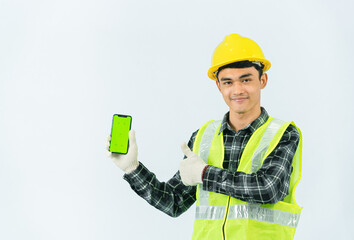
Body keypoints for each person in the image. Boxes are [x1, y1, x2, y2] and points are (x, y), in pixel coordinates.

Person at [106, 33, 303, 240]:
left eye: (246, 79)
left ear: (262, 80)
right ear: (219, 86)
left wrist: (204, 174)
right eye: (228, 82)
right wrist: (133, 169)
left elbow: (267, 188)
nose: (237, 90)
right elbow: (174, 201)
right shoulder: (203, 137)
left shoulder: (283, 134)